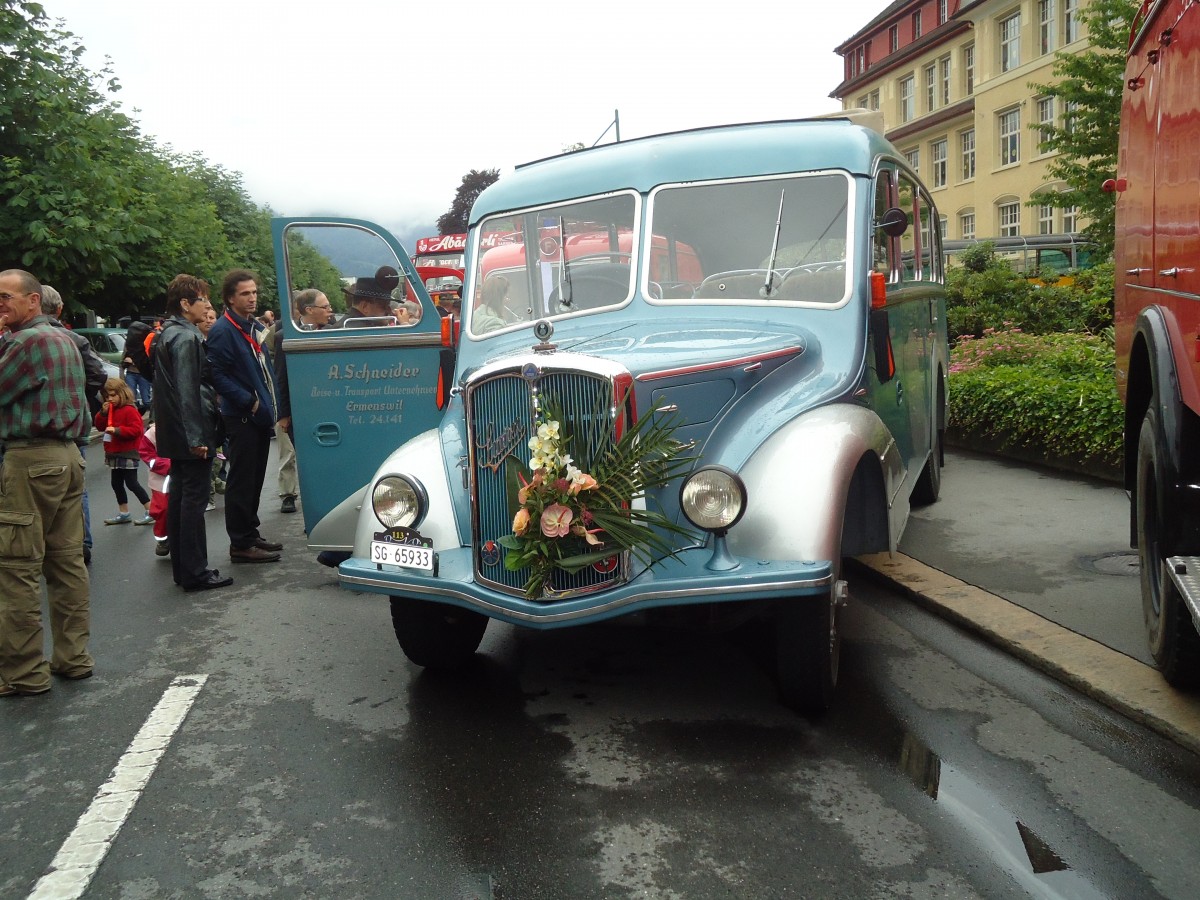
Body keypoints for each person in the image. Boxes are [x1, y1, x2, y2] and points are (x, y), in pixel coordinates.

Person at [0, 268, 93, 695]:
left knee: (17, 568)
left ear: (33, 300)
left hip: (30, 458)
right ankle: (74, 658)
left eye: (6, 297)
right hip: (68, 456)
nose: (0, 305)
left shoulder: (25, 342)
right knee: (66, 562)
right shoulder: (62, 337)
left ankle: (23, 673)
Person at [153, 274, 231, 592]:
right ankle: (196, 572)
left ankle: (184, 570)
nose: (208, 306)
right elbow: (188, 391)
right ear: (186, 304)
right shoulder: (186, 337)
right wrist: (197, 438)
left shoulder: (168, 333)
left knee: (180, 499)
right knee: (193, 503)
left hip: (174, 431)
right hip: (190, 431)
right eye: (203, 300)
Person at [205, 269, 282, 563]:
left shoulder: (251, 325)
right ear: (230, 298)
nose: (252, 298)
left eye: (254, 292)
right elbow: (217, 375)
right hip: (242, 417)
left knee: (255, 478)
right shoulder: (223, 330)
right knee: (241, 480)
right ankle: (240, 543)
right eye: (245, 294)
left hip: (258, 416)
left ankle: (250, 533)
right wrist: (250, 403)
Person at [41, 284, 107, 566]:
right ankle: (81, 542)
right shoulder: (74, 339)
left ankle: (40, 544)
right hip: (72, 424)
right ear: (59, 309)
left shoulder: (16, 339)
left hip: (30, 431)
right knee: (75, 487)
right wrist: (79, 398)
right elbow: (98, 375)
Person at [271, 289, 334, 514]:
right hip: (300, 410)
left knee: (328, 463)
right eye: (325, 307)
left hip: (329, 408)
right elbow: (281, 378)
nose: (330, 311)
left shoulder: (334, 332)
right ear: (309, 310)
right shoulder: (284, 336)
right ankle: (308, 509)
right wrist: (283, 415)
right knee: (302, 462)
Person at [95, 377, 155, 526]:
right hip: (114, 452)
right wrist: (102, 413)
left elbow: (136, 430)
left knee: (132, 483)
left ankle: (151, 510)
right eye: (107, 396)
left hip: (128, 452)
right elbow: (100, 426)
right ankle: (124, 512)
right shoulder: (110, 410)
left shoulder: (129, 410)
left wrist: (117, 431)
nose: (110, 399)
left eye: (113, 395)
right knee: (116, 483)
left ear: (122, 393)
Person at [138, 423, 171, 557]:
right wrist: (169, 465)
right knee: (162, 509)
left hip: (185, 478)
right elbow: (147, 454)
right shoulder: (153, 432)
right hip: (161, 481)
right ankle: (163, 539)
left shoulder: (188, 424)